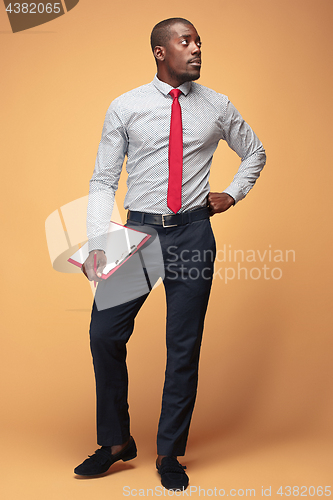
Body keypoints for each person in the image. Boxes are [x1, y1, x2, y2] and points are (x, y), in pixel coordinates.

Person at [74, 17, 266, 491]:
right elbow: (102, 180)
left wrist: (233, 193)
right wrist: (100, 242)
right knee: (104, 333)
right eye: (186, 42)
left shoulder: (217, 105)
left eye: (199, 42)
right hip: (138, 232)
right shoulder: (126, 106)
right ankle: (116, 442)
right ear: (161, 52)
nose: (197, 49)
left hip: (193, 234)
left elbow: (256, 152)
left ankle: (168, 452)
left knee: (182, 346)